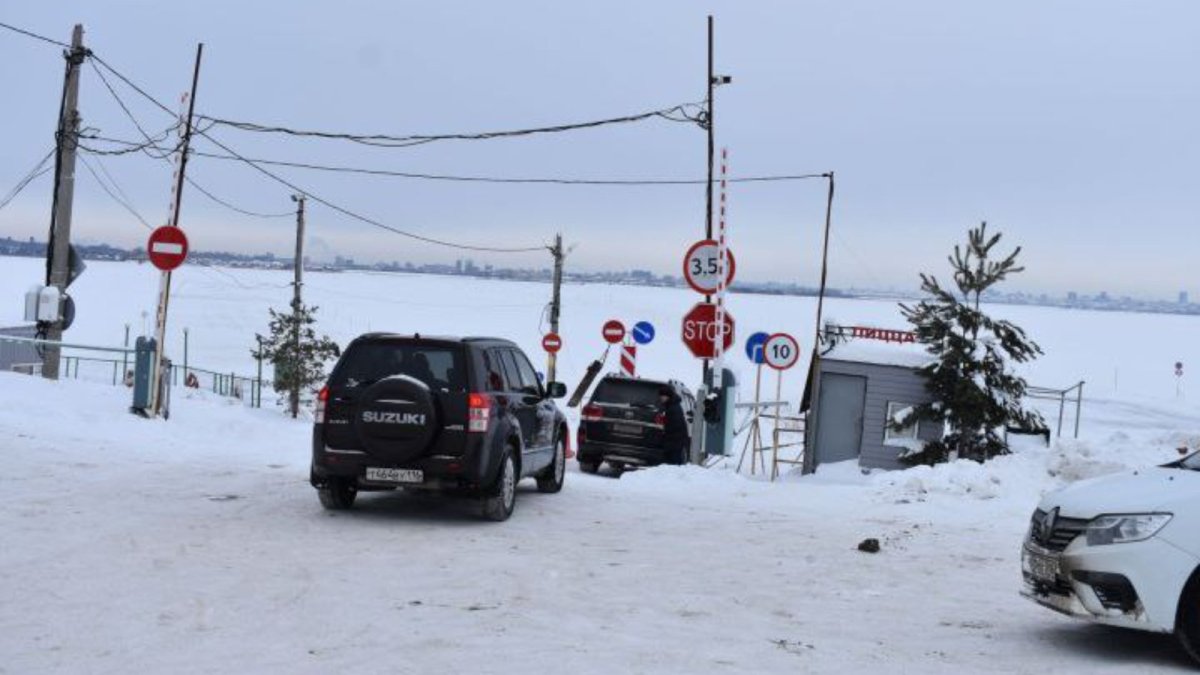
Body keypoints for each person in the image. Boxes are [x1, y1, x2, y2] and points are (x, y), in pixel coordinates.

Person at [658, 385, 689, 466]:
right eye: (660, 395)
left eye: (663, 396)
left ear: (668, 396)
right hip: (674, 442)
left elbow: (674, 425)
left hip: (674, 443)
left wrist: (663, 431)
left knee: (673, 466)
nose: (661, 397)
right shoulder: (671, 405)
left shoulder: (673, 408)